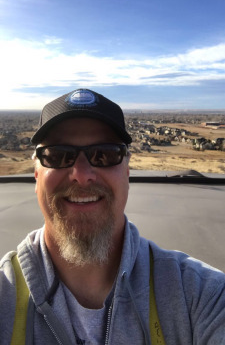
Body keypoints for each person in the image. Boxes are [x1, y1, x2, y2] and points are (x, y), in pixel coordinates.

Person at [0, 88, 225, 345]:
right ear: (37, 175)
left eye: (105, 154)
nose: (82, 174)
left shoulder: (200, 295)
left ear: (127, 172)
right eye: (59, 155)